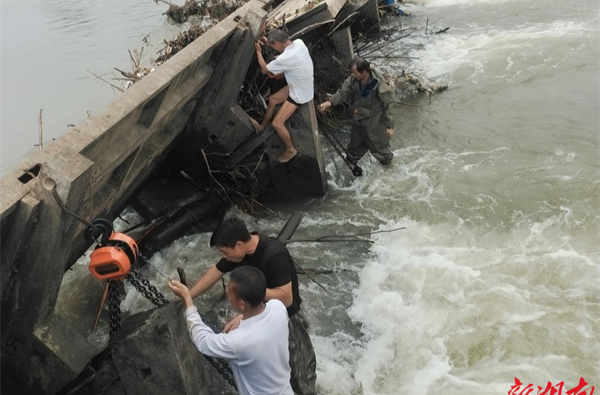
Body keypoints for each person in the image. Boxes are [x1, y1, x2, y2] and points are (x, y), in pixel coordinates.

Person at [188, 217, 317, 395]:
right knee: (271, 373)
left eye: (224, 252)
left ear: (238, 244)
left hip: (284, 318)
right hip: (259, 313)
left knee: (300, 375)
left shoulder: (273, 253)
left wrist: (251, 293)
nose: (224, 257)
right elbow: (216, 271)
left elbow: (286, 298)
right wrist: (189, 295)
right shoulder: (237, 255)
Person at [168, 266, 293, 395]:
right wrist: (241, 318)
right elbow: (259, 315)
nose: (227, 289)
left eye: (229, 291)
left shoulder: (239, 341)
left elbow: (203, 341)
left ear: (242, 304)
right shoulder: (278, 307)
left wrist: (188, 300)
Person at [317, 57, 396, 167]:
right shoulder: (353, 80)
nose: (352, 75)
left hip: (375, 124)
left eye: (355, 72)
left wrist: (390, 126)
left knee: (384, 155)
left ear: (364, 71)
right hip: (358, 121)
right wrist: (328, 103)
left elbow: (389, 105)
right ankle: (352, 177)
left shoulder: (379, 84)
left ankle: (389, 174)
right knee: (352, 153)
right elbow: (342, 93)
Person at [251, 29, 314, 163]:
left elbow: (264, 70)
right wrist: (278, 55)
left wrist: (258, 51)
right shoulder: (298, 42)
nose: (272, 48)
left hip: (300, 93)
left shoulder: (286, 58)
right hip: (302, 83)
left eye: (272, 46)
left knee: (277, 123)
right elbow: (287, 56)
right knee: (272, 99)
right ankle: (261, 127)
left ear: (278, 43)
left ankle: (290, 149)